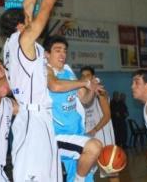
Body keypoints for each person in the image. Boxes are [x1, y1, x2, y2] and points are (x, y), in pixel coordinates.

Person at [0, 0, 73, 181]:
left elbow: (29, 4)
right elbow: (46, 7)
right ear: (21, 26)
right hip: (32, 118)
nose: (30, 17)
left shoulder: (12, 44)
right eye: (27, 18)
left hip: (35, 117)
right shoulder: (24, 41)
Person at [43, 35, 103, 182]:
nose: (63, 54)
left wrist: (92, 90)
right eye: (57, 50)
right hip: (58, 135)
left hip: (77, 133)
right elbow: (55, 86)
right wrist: (83, 82)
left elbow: (84, 99)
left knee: (85, 174)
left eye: (64, 50)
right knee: (94, 147)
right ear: (47, 54)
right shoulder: (45, 69)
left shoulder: (68, 71)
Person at [80, 66, 120, 182]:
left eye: (87, 75)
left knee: (111, 172)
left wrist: (95, 129)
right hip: (89, 139)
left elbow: (107, 115)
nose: (85, 78)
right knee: (85, 172)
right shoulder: (82, 95)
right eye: (82, 76)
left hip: (104, 137)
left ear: (93, 77)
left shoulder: (100, 92)